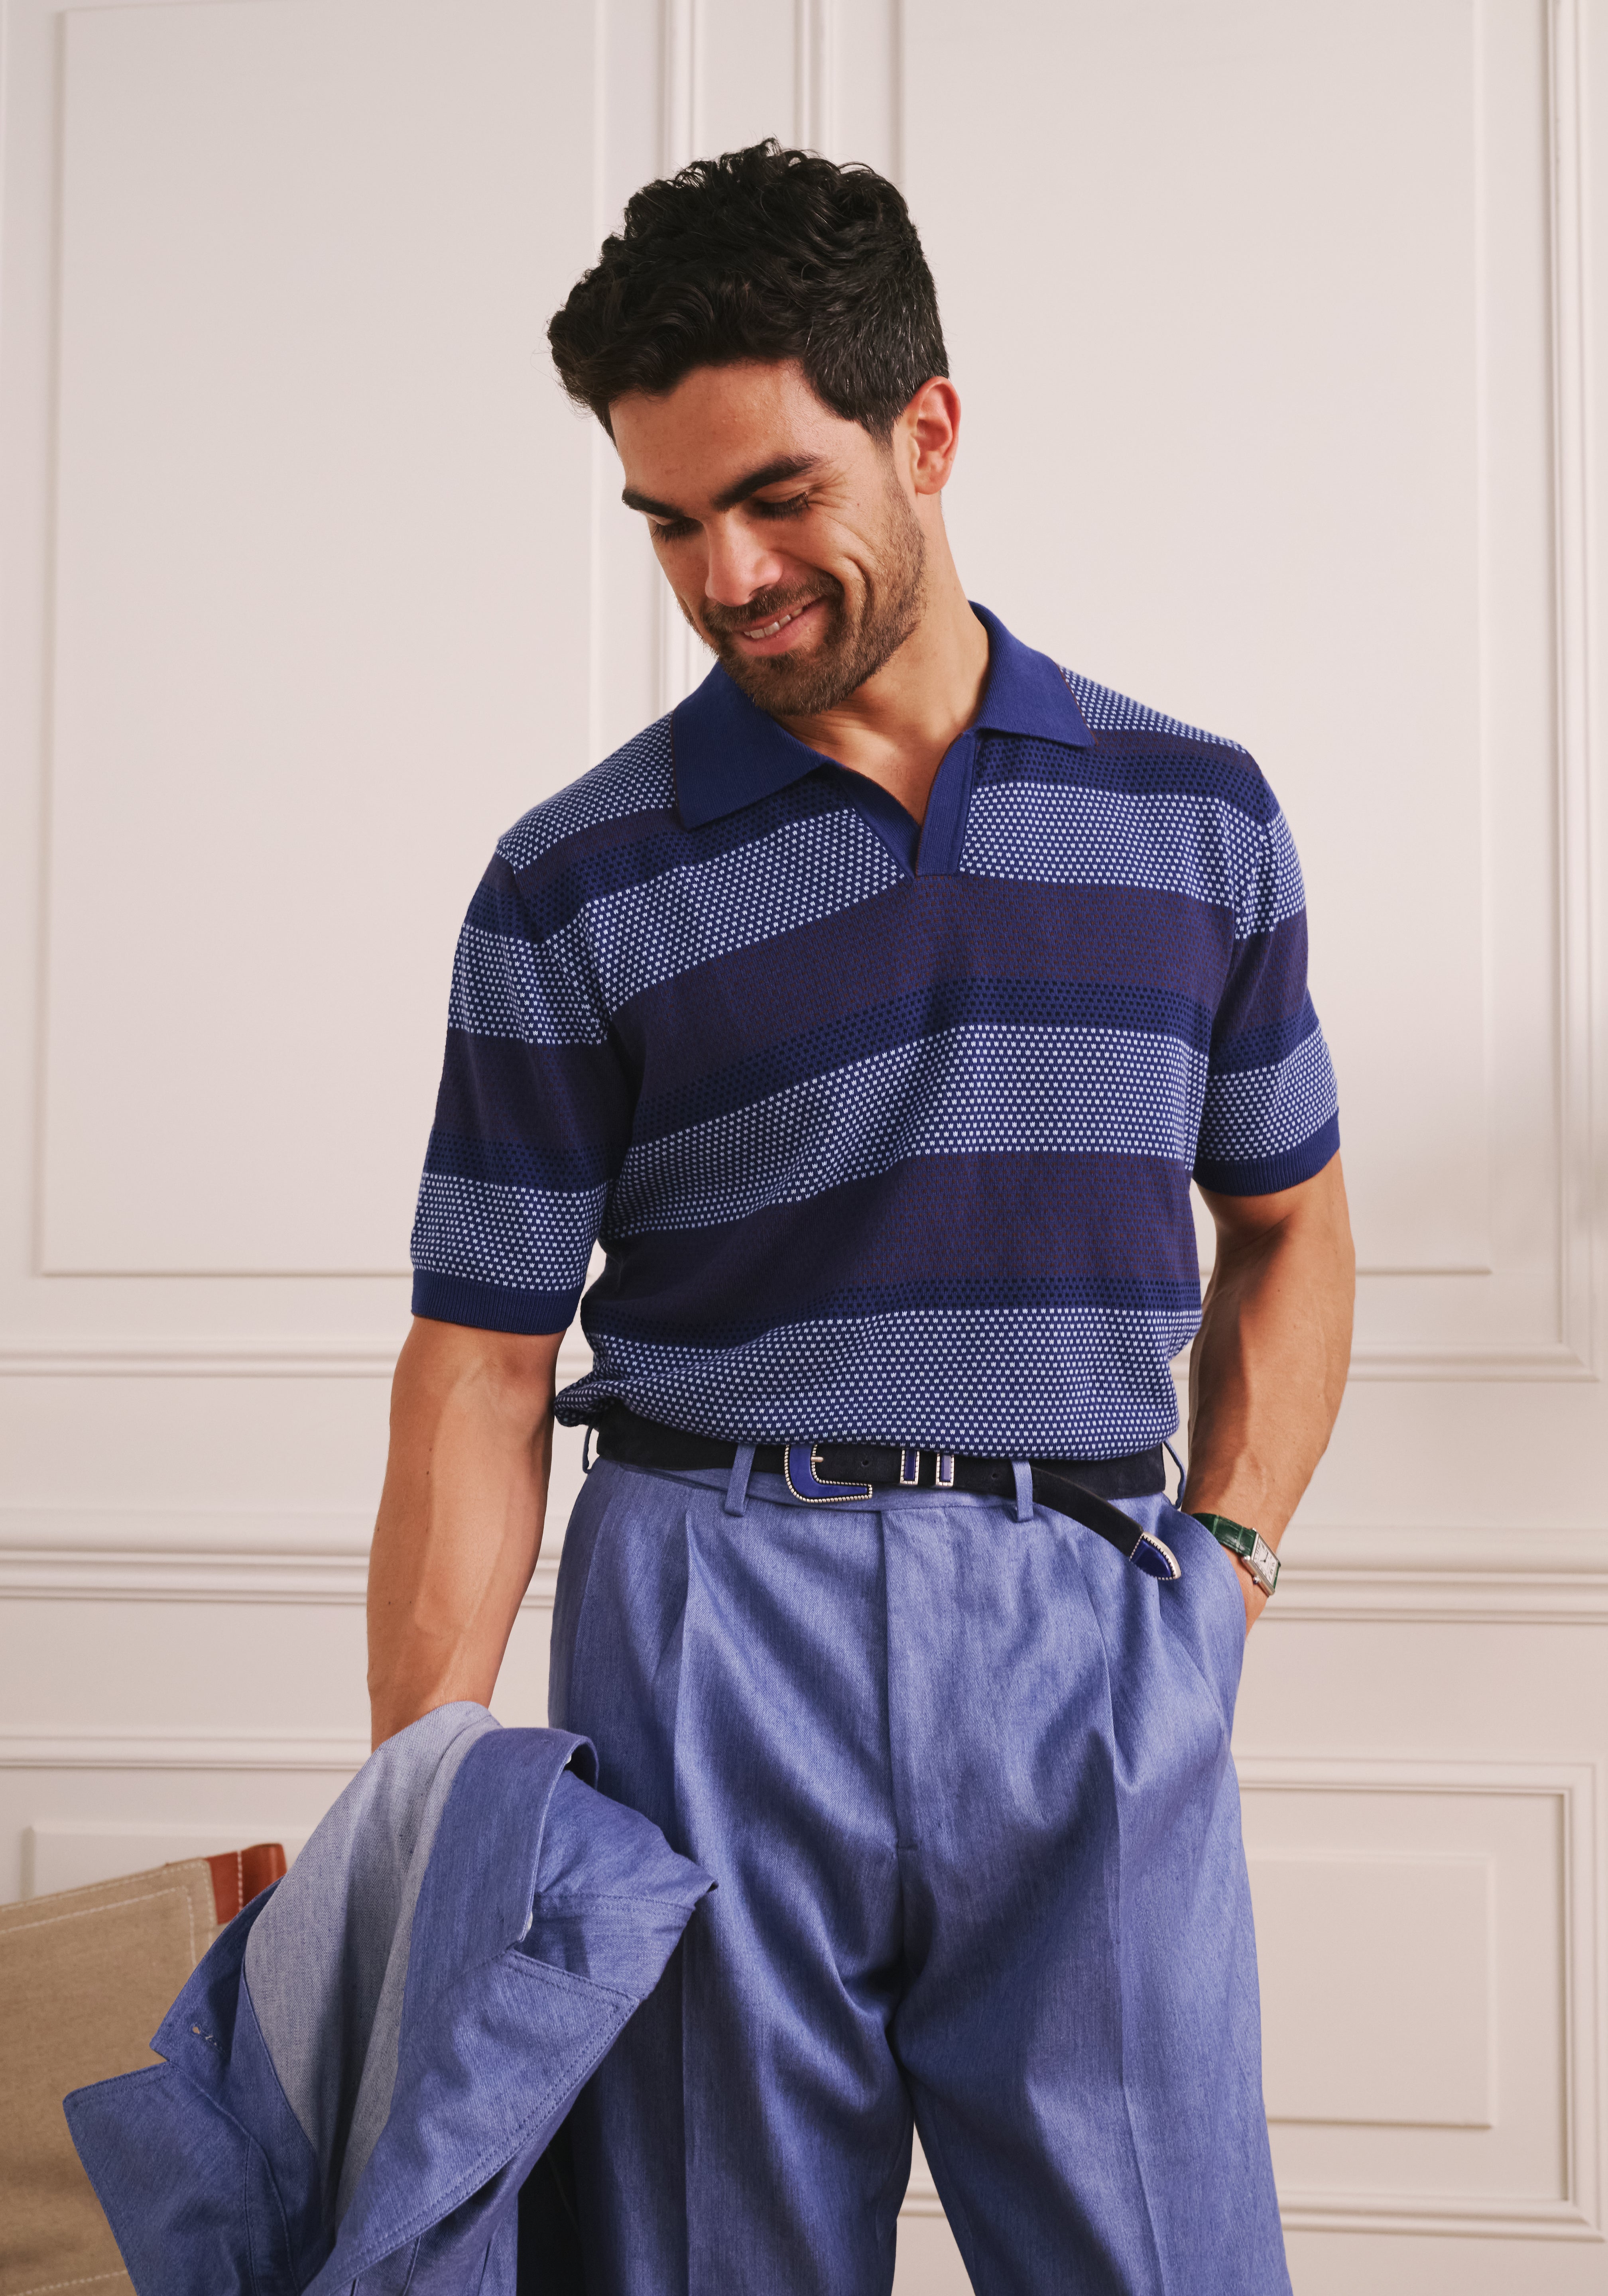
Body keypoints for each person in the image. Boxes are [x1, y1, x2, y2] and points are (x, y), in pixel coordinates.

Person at [368, 140, 1355, 2296]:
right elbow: (479, 1354)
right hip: (710, 1629)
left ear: (926, 428)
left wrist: (1222, 1573)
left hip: (1092, 1624)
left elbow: (1288, 1223)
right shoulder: (571, 881)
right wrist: (424, 1804)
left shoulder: (1196, 817)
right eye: (666, 523)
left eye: (773, 497)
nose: (722, 575)